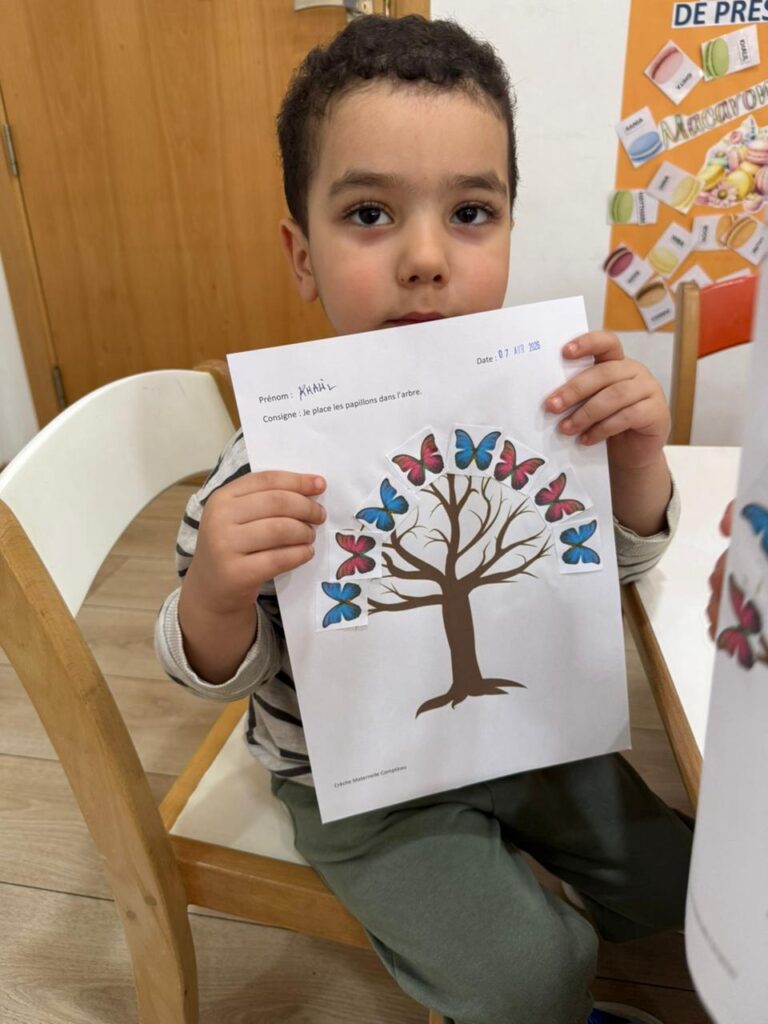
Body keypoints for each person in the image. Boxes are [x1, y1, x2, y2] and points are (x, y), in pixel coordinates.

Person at [155, 16, 692, 1024]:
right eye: (369, 212)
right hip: (358, 783)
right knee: (532, 975)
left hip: (526, 729)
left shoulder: (546, 412)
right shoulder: (261, 466)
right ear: (302, 255)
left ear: (510, 232)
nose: (427, 258)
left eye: (472, 212)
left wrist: (633, 463)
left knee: (683, 881)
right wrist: (216, 588)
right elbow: (201, 669)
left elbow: (613, 567)